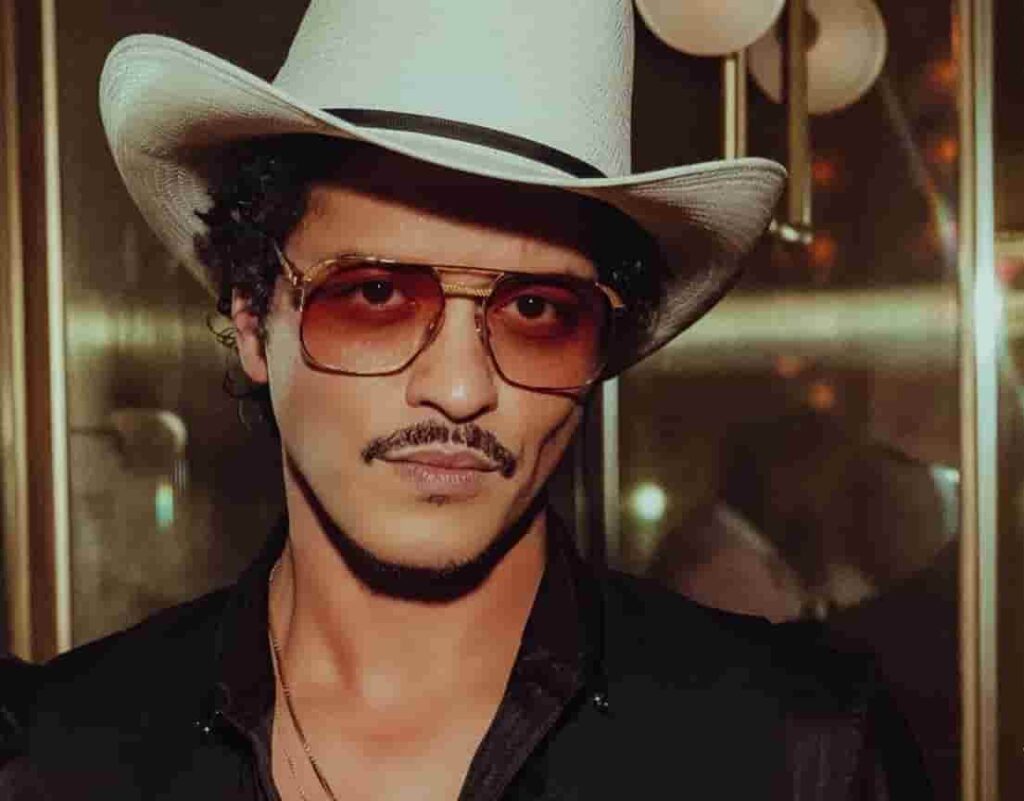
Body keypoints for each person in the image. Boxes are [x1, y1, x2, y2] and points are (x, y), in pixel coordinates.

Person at [3, 1, 929, 798]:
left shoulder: (794, 752)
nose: (458, 388)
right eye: (374, 294)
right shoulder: (62, 755)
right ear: (252, 317)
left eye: (536, 310)